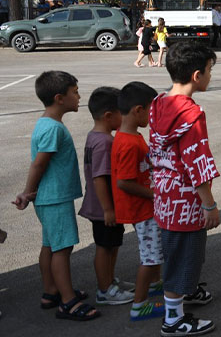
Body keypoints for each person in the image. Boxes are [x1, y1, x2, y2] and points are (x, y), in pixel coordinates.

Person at [12, 71, 101, 321]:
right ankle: (68, 302)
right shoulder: (52, 129)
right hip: (54, 198)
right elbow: (39, 165)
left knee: (50, 245)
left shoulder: (47, 123)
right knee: (62, 248)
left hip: (49, 198)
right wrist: (27, 192)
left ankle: (51, 291)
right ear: (59, 98)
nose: (79, 96)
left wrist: (31, 194)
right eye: (75, 92)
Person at [149, 41, 220, 335]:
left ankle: (187, 291)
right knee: (186, 255)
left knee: (176, 250)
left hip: (164, 195)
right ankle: (174, 318)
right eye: (209, 70)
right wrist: (209, 204)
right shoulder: (191, 115)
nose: (210, 76)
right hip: (186, 199)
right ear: (196, 76)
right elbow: (197, 161)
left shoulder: (158, 104)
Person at [112, 81, 166, 322]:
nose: (153, 116)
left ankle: (155, 285)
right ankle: (139, 305)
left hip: (144, 208)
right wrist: (155, 195)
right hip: (142, 210)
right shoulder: (127, 143)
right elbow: (124, 182)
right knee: (151, 256)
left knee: (153, 251)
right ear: (138, 110)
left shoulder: (132, 137)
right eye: (151, 110)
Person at [78, 86, 135, 307]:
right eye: (123, 112)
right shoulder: (105, 143)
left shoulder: (96, 137)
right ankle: (105, 289)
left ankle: (110, 281)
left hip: (105, 207)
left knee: (112, 245)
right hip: (104, 209)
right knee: (104, 247)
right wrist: (108, 209)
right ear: (109, 115)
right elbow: (99, 178)